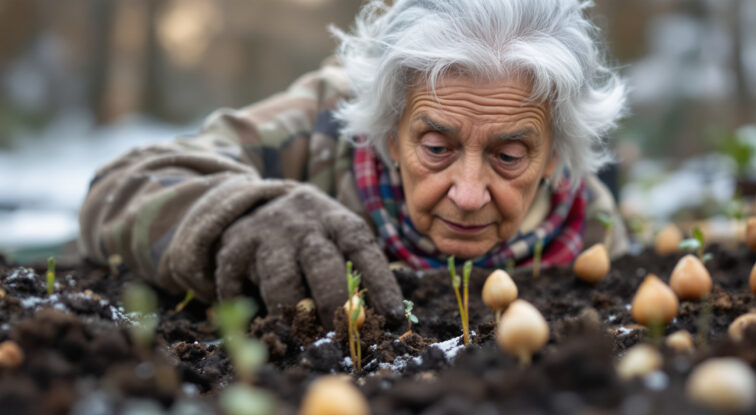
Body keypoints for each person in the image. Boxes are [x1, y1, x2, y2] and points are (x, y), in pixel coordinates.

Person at [78, 0, 628, 328]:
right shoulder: (317, 126)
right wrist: (243, 214)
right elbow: (120, 188)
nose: (467, 193)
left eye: (508, 157)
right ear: (387, 132)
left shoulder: (591, 231)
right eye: (436, 149)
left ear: (555, 153)